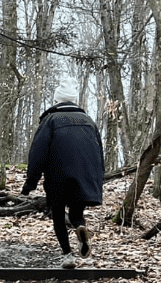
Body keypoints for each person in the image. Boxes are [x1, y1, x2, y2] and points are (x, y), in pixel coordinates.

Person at [21, 77, 104, 269]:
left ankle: (68, 255)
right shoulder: (89, 121)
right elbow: (99, 153)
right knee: (76, 212)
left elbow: (38, 153)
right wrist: (97, 179)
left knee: (57, 213)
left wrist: (30, 183)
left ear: (57, 100)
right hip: (85, 175)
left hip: (57, 175)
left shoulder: (50, 120)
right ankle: (80, 227)